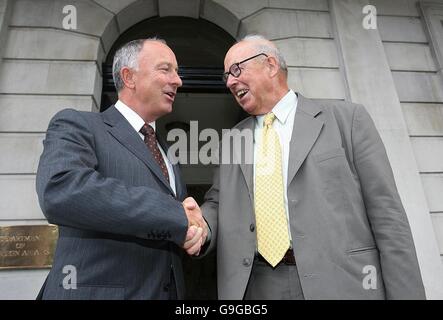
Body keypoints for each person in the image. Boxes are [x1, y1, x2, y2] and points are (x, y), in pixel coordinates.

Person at [196, 35, 426, 299]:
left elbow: (388, 217)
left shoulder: (347, 120)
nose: (230, 81)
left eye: (236, 69)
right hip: (258, 286)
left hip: (341, 283)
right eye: (226, 76)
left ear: (270, 65)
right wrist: (201, 225)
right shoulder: (233, 140)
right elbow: (218, 202)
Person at [35, 38, 206, 300]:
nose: (178, 80)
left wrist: (194, 232)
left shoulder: (167, 152)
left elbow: (175, 222)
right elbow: (61, 189)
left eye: (177, 72)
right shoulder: (79, 124)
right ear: (129, 77)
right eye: (166, 69)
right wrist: (176, 214)